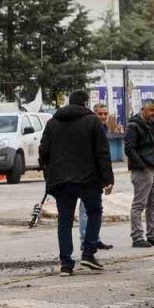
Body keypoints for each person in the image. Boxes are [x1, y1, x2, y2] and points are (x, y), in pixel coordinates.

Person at [39, 90, 114, 275]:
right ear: (86, 103)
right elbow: (102, 153)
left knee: (64, 220)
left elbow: (43, 152)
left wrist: (50, 172)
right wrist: (107, 179)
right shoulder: (93, 121)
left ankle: (66, 264)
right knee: (95, 212)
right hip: (88, 179)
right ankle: (88, 254)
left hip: (60, 181)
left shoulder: (53, 123)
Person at [124, 98, 154, 248]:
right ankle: (137, 237)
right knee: (139, 205)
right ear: (142, 110)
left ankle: (152, 235)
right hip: (143, 171)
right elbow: (129, 148)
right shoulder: (134, 126)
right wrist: (142, 166)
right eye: (151, 110)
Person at [78, 102, 114, 252]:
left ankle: (94, 238)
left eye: (105, 114)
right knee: (85, 209)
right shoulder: (89, 129)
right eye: (100, 114)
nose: (103, 117)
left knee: (95, 209)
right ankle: (86, 239)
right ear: (94, 114)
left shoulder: (104, 129)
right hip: (87, 175)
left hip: (97, 175)